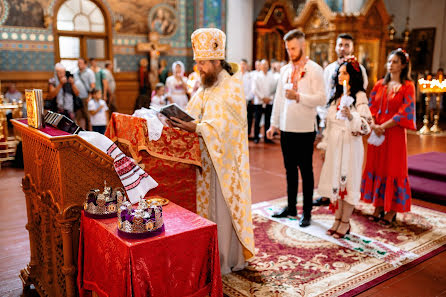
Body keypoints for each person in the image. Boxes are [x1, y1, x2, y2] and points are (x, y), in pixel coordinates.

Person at [169, 28, 255, 274]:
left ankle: (226, 259)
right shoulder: (206, 86)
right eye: (197, 62)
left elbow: (228, 127)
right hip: (207, 161)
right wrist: (176, 119)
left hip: (226, 165)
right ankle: (212, 256)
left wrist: (197, 127)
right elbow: (192, 111)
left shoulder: (232, 87)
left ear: (217, 61)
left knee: (223, 211)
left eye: (203, 62)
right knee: (209, 211)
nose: (198, 67)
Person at [266, 29, 325, 227]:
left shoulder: (315, 69)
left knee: (306, 171)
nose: (290, 52)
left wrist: (299, 97)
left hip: (306, 129)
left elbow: (322, 98)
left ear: (303, 45)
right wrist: (274, 124)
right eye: (288, 49)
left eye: (293, 48)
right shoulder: (284, 70)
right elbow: (278, 100)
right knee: (289, 169)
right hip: (286, 128)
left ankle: (307, 212)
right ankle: (291, 207)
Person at [317, 56, 372, 238]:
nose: (340, 76)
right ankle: (337, 218)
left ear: (353, 76)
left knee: (348, 182)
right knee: (335, 181)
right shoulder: (336, 97)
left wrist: (351, 117)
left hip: (350, 147)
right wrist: (325, 145)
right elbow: (330, 124)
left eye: (344, 72)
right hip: (335, 145)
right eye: (339, 73)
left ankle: (345, 222)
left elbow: (366, 126)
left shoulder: (359, 97)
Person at [361, 48, 416, 224]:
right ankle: (377, 205)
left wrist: (383, 126)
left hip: (394, 134)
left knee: (393, 168)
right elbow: (371, 106)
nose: (390, 65)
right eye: (389, 61)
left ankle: (392, 209)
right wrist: (374, 124)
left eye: (395, 62)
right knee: (378, 166)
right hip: (378, 133)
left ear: (403, 65)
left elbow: (405, 111)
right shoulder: (379, 85)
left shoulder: (408, 86)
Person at [314, 33, 369, 207]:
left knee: (347, 162)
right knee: (329, 157)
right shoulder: (330, 69)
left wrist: (351, 114)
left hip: (348, 123)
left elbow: (361, 92)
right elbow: (325, 94)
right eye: (340, 45)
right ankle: (329, 192)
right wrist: (325, 117)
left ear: (352, 47)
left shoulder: (359, 69)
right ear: (335, 47)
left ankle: (345, 195)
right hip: (330, 118)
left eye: (347, 45)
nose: (343, 48)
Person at [252, 59, 276, 143]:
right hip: (259, 102)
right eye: (263, 65)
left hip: (269, 101)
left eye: (266, 64)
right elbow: (254, 89)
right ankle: (256, 137)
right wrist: (263, 98)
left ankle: (267, 138)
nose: (265, 66)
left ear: (268, 66)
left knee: (268, 120)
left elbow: (274, 89)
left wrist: (270, 98)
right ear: (261, 66)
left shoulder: (271, 76)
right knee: (257, 120)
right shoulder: (257, 76)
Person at [75, 58, 96, 130]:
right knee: (78, 116)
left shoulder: (89, 72)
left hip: (86, 97)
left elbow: (92, 85)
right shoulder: (76, 72)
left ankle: (89, 132)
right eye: (78, 63)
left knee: (87, 116)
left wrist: (90, 96)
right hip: (77, 98)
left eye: (80, 63)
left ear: (85, 64)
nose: (79, 64)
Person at [240, 59, 255, 138]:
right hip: (238, 101)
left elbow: (252, 89)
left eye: (244, 64)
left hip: (247, 100)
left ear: (247, 66)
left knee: (248, 117)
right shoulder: (237, 75)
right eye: (241, 64)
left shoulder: (250, 76)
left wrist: (247, 98)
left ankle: (247, 134)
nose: (242, 66)